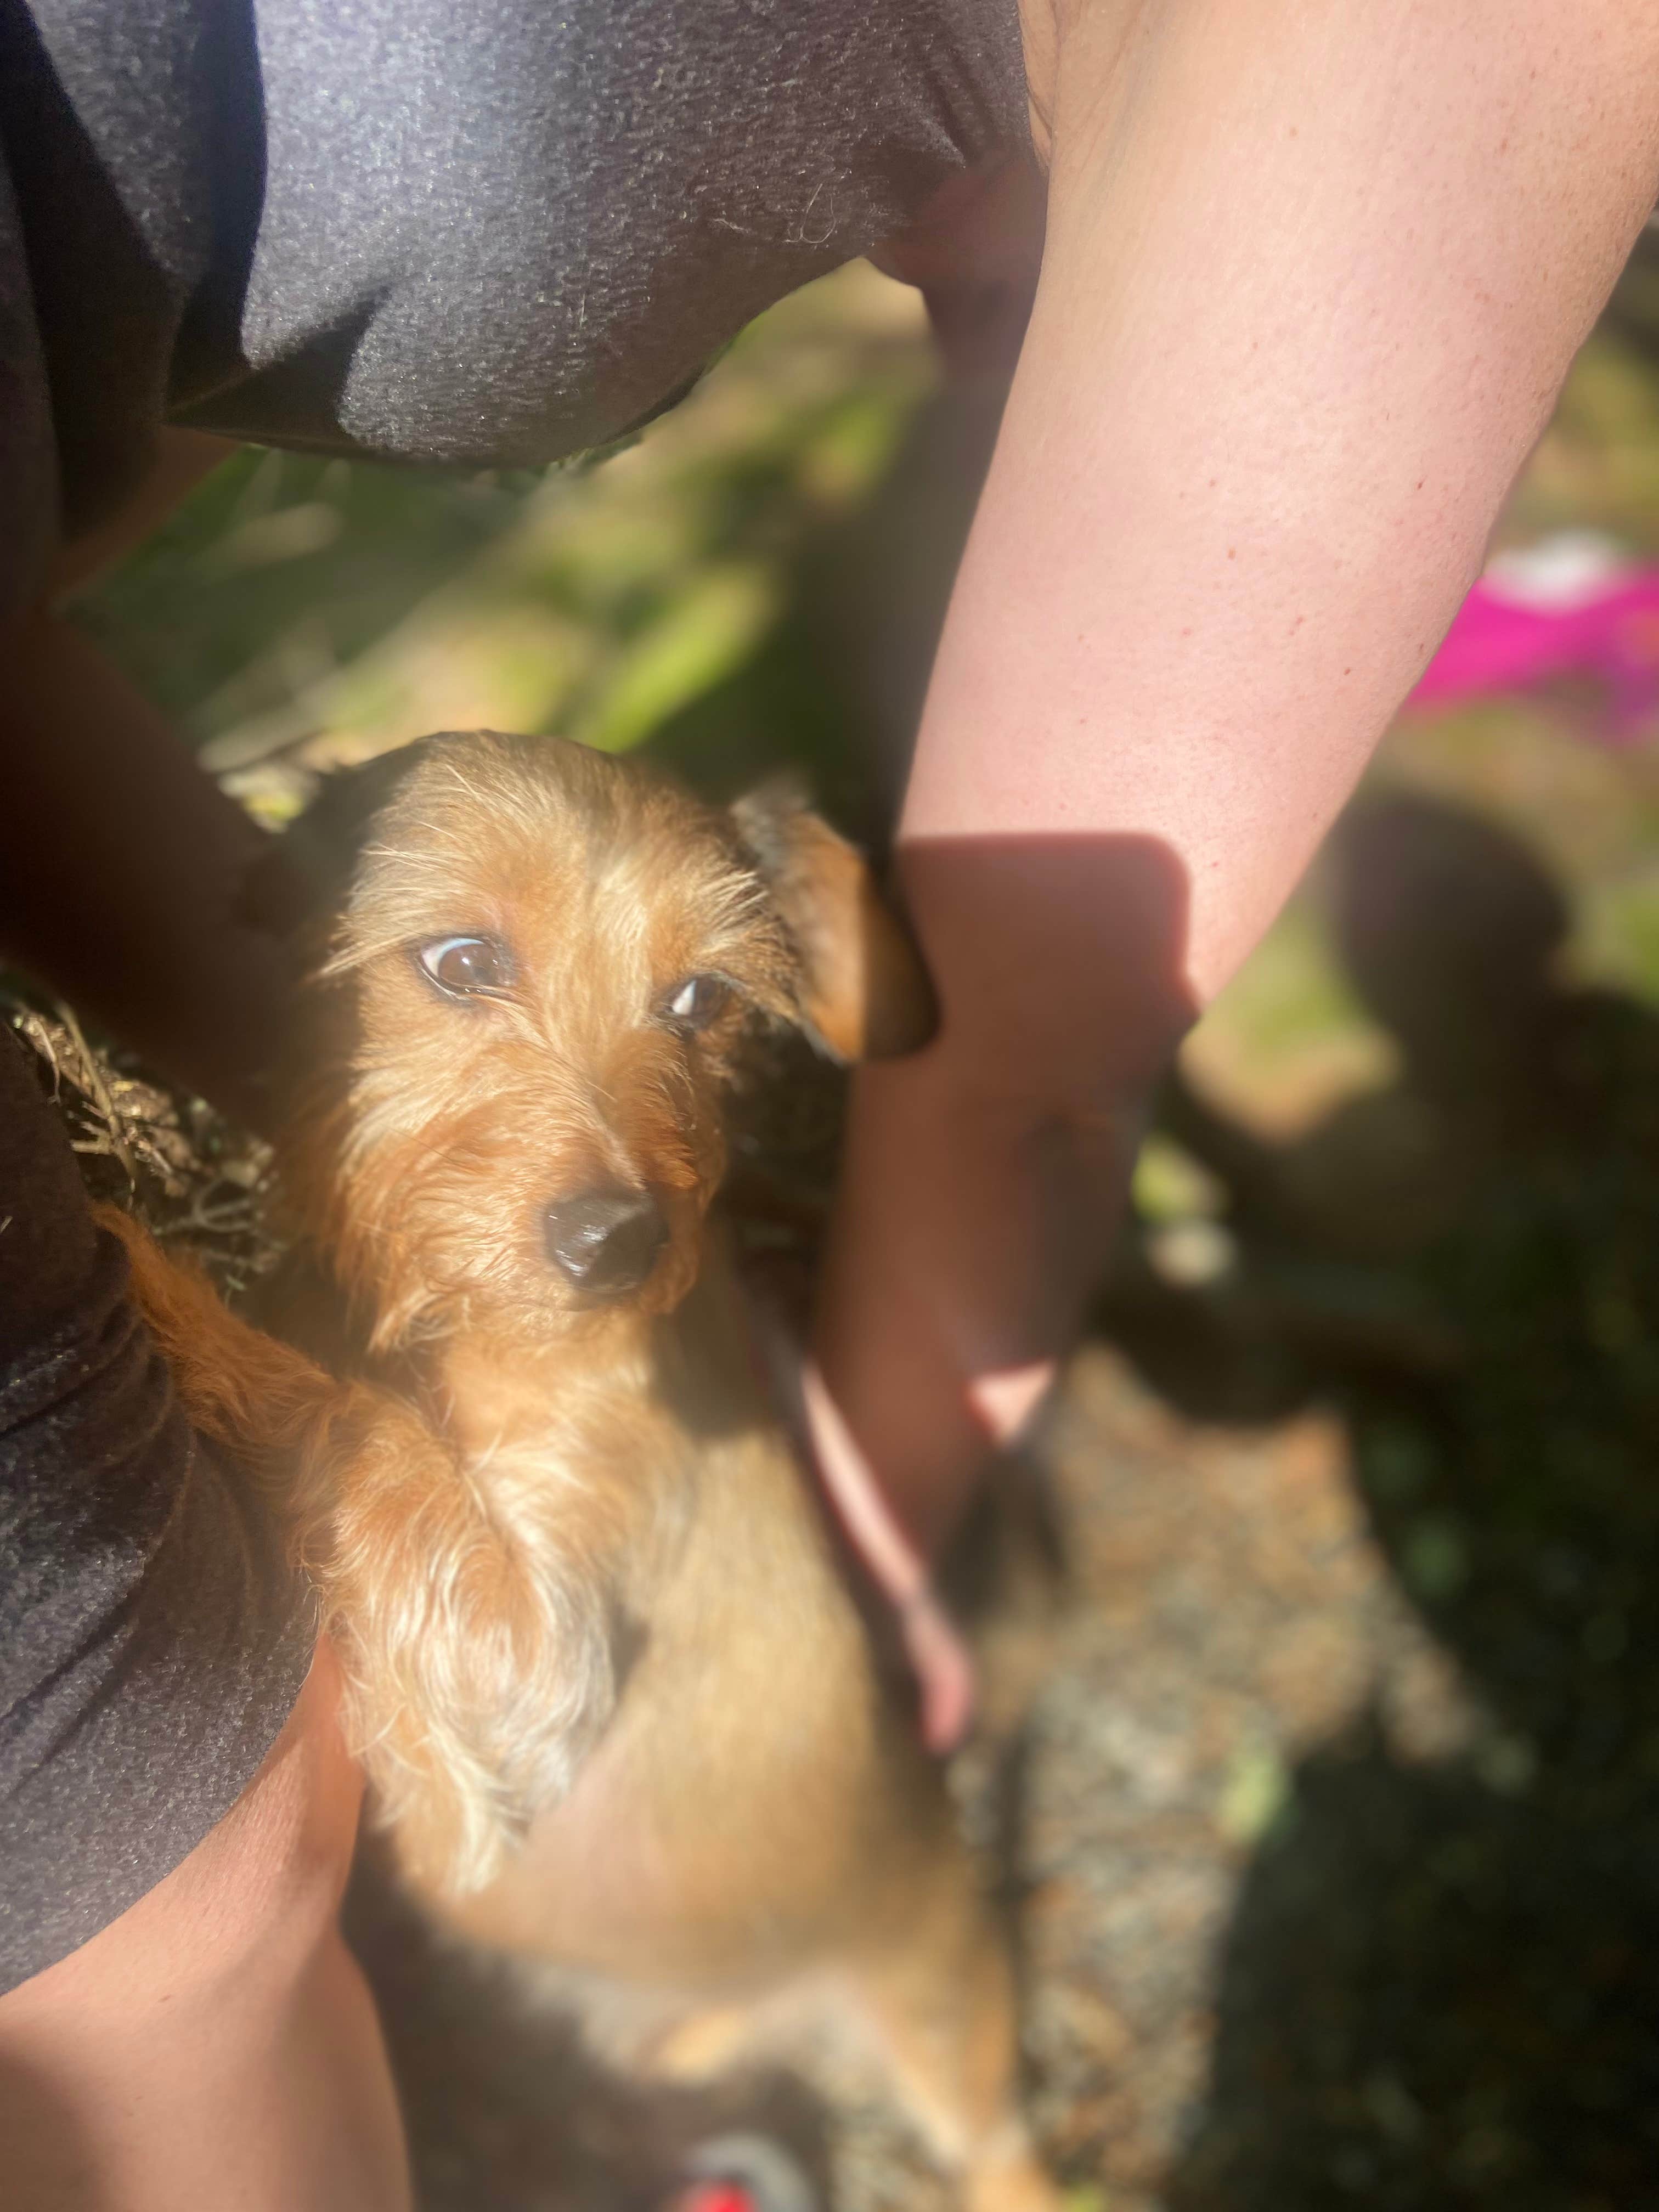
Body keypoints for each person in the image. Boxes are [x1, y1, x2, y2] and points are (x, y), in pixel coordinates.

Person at [2, 0, 1657, 2203]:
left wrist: (190, 1315)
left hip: (783, 1869)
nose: (613, 1158)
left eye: (701, 1006)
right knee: (167, 1914)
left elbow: (512, 1640)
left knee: (244, 1926)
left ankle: (997, 2158)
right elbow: (1025, 1095)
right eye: (469, 969)